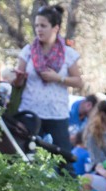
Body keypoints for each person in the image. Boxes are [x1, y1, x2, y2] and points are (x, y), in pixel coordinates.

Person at [15, 4, 84, 158]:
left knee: (64, 159)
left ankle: (69, 183)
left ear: (55, 28)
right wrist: (17, 79)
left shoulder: (68, 53)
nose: (39, 29)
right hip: (30, 112)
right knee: (26, 157)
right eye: (37, 25)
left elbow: (79, 82)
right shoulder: (28, 51)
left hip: (57, 113)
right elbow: (17, 81)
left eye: (43, 26)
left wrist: (58, 78)